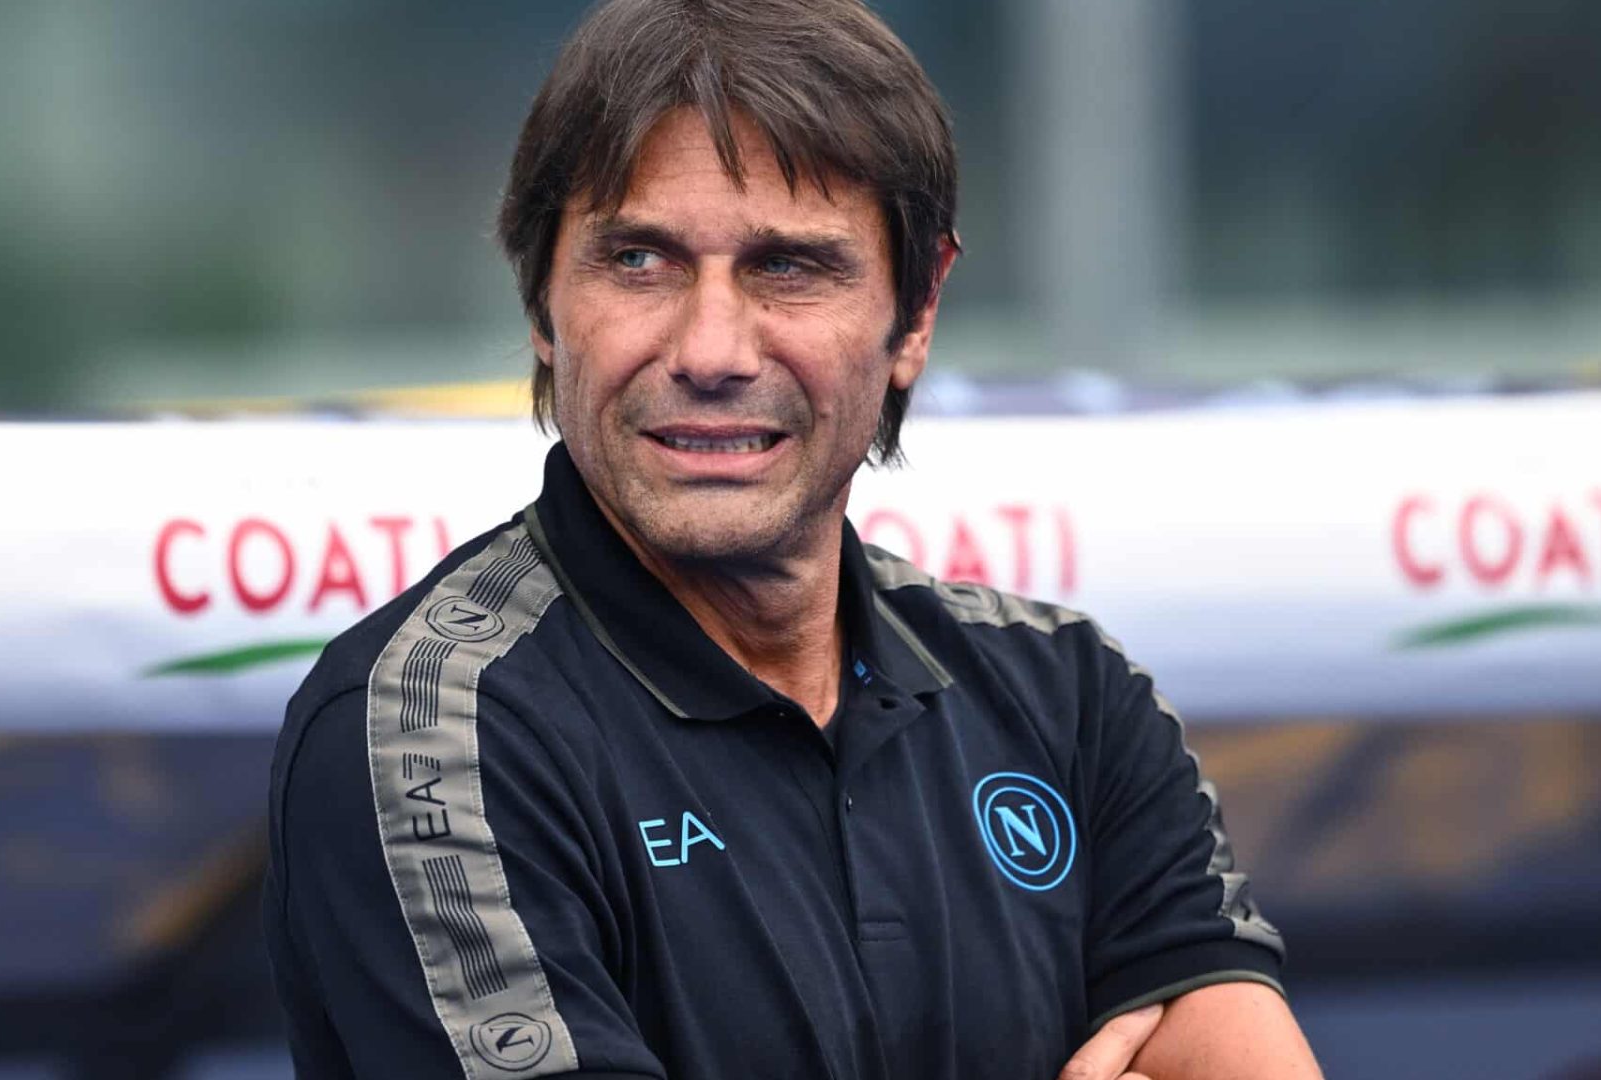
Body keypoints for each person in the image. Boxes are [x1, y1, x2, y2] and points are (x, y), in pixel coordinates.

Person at [263, 0, 1324, 1077]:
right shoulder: (433, 735)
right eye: (638, 260)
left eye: (789, 267)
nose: (711, 349)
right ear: (543, 302)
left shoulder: (1069, 697)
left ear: (914, 314)